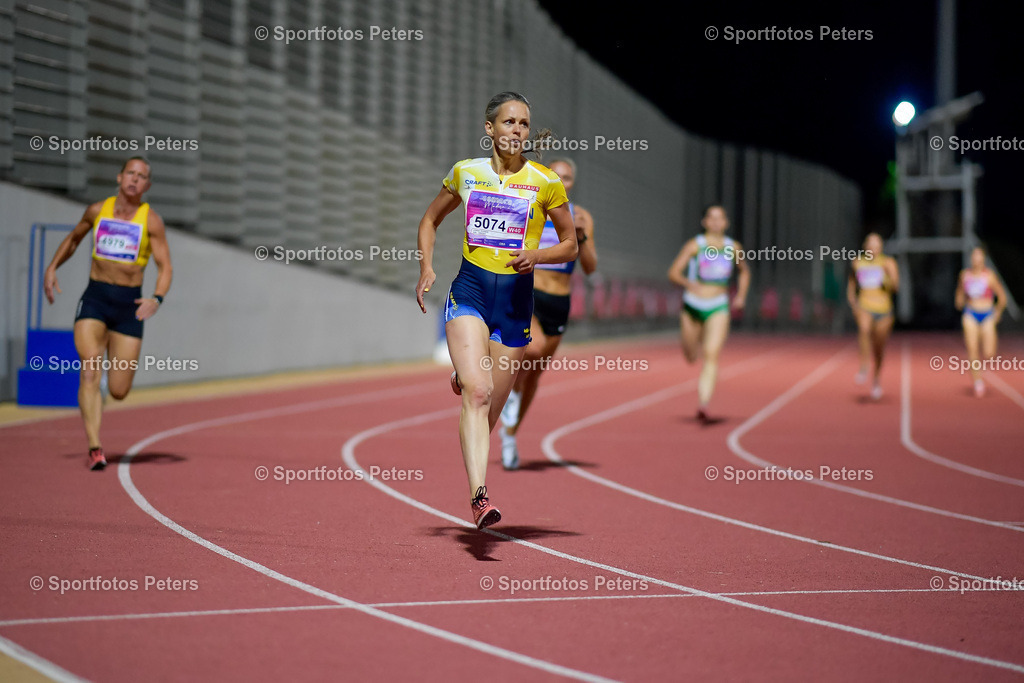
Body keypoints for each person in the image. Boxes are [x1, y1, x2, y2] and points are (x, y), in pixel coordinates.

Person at [415, 92, 577, 529]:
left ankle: (465, 375)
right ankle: (479, 498)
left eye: (524, 124)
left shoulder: (545, 182)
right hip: (469, 293)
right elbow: (430, 219)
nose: (517, 131)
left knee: (488, 414)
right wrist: (427, 266)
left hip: (515, 306)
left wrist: (536, 256)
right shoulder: (466, 173)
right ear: (490, 129)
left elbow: (570, 243)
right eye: (508, 122)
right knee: (479, 392)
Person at [43, 157, 172, 470]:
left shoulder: (150, 220)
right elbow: (74, 238)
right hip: (96, 299)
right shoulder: (97, 210)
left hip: (129, 307)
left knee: (119, 391)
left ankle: (103, 395)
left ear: (147, 186)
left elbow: (165, 266)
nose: (134, 180)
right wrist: (52, 267)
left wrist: (156, 298)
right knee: (89, 368)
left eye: (141, 176)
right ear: (119, 177)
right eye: (130, 173)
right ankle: (94, 447)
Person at [498, 157, 597, 470]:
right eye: (556, 174)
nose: (562, 180)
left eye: (567, 177)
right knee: (534, 348)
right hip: (530, 291)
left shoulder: (580, 216)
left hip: (559, 301)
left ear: (572, 183)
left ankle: (510, 435)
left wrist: (581, 235)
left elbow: (590, 267)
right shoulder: (533, 206)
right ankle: (510, 391)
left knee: (536, 372)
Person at [666, 205, 750, 423]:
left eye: (720, 218)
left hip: (718, 305)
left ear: (726, 223)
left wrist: (740, 296)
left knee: (711, 355)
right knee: (691, 355)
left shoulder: (733, 247)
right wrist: (687, 282)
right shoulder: (696, 245)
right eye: (711, 218)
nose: (715, 222)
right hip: (693, 305)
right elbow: (673, 272)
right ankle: (694, 347)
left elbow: (744, 272)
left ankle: (703, 402)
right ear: (704, 222)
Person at [847, 232, 898, 400]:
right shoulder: (858, 262)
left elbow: (896, 287)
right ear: (865, 246)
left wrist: (888, 276)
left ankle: (876, 380)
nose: (873, 248)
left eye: (877, 245)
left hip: (884, 309)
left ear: (881, 247)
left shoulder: (888, 262)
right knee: (863, 329)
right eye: (871, 244)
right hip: (865, 305)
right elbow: (852, 284)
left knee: (879, 349)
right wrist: (853, 302)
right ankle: (864, 366)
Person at [955, 246, 1006, 397]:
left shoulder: (989, 276)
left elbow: (1002, 297)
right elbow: (960, 293)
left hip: (987, 314)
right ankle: (978, 381)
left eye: (979, 256)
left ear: (983, 258)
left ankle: (981, 370)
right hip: (970, 313)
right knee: (972, 350)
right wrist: (959, 300)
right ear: (971, 258)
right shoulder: (964, 275)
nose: (976, 259)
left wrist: (997, 312)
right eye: (974, 256)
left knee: (989, 353)